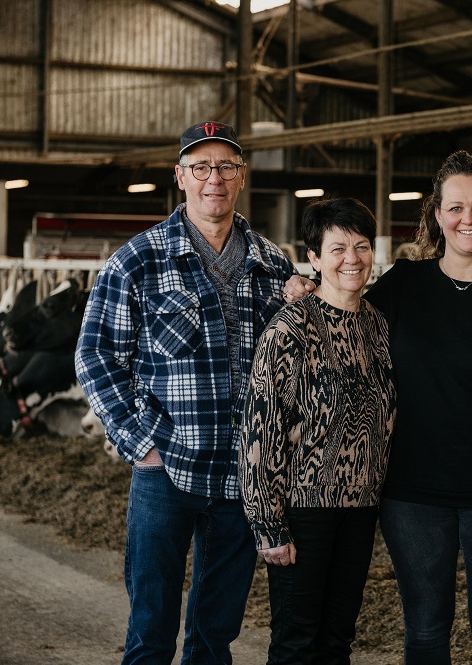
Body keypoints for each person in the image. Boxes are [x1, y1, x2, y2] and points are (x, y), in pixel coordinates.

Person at [285, 150, 472, 663]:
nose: (468, 219)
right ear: (437, 214)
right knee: (425, 631)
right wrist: (302, 287)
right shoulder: (403, 285)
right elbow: (344, 310)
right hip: (412, 496)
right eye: (456, 208)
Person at [75, 121, 296, 665]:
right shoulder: (138, 260)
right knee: (150, 630)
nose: (213, 179)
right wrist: (139, 442)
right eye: (201, 167)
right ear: (180, 177)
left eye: (225, 166)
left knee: (215, 634)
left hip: (243, 477)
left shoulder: (274, 266)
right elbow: (95, 354)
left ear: (241, 177)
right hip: (165, 472)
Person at [239, 197, 397, 664]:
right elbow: (260, 431)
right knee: (295, 642)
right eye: (338, 248)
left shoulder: (378, 326)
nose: (352, 259)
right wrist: (268, 523)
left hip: (361, 507)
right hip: (304, 508)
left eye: (362, 246)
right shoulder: (289, 328)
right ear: (313, 258)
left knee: (337, 641)